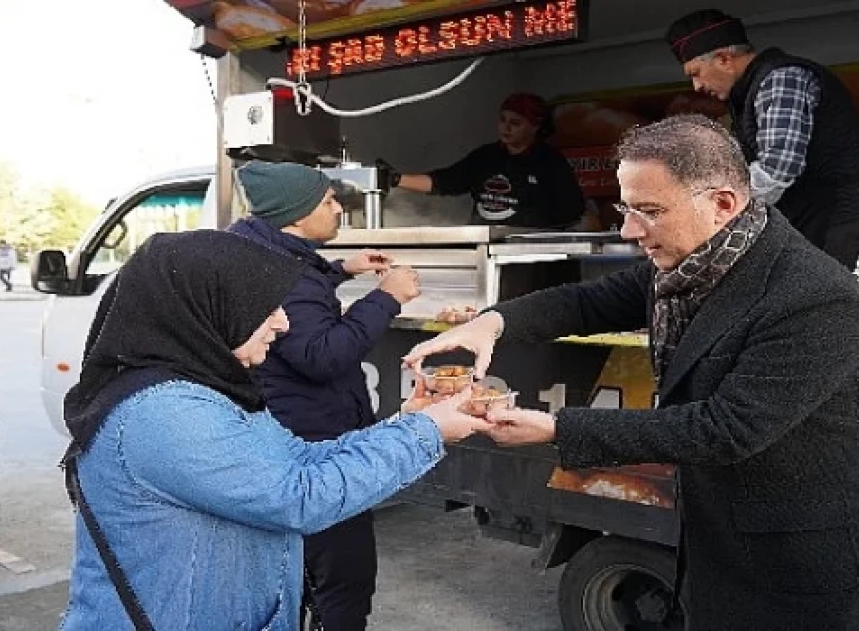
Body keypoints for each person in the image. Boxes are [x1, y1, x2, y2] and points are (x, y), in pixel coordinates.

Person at [404, 116, 859, 629]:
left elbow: (726, 428)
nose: (628, 230)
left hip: (813, 552)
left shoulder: (810, 295)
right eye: (627, 208)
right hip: (726, 535)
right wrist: (492, 324)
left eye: (649, 211)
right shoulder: (687, 266)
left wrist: (556, 428)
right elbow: (587, 302)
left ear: (723, 205)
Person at [56, 228, 486, 630]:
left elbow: (298, 459)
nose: (282, 324)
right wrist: (426, 432)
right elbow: (299, 496)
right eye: (266, 308)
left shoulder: (208, 388)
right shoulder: (163, 411)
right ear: (210, 308)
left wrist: (409, 423)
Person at [227, 160, 421, 631]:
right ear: (294, 215)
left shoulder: (259, 249)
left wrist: (338, 270)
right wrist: (387, 297)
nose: (338, 209)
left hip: (279, 434)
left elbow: (300, 299)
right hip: (315, 445)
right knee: (342, 580)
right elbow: (321, 354)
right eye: (328, 202)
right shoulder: (286, 276)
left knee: (289, 574)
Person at [664, 9, 859, 270]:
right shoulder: (747, 94)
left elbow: (778, 169)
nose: (696, 86)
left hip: (841, 222)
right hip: (810, 222)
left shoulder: (781, 79)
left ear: (723, 59)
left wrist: (715, 212)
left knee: (831, 307)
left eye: (695, 73)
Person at [379, 93, 586, 229]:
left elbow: (571, 212)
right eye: (503, 120)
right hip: (484, 246)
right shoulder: (486, 157)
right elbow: (446, 181)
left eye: (515, 123)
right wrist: (396, 179)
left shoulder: (551, 162)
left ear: (535, 127)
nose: (506, 128)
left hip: (529, 254)